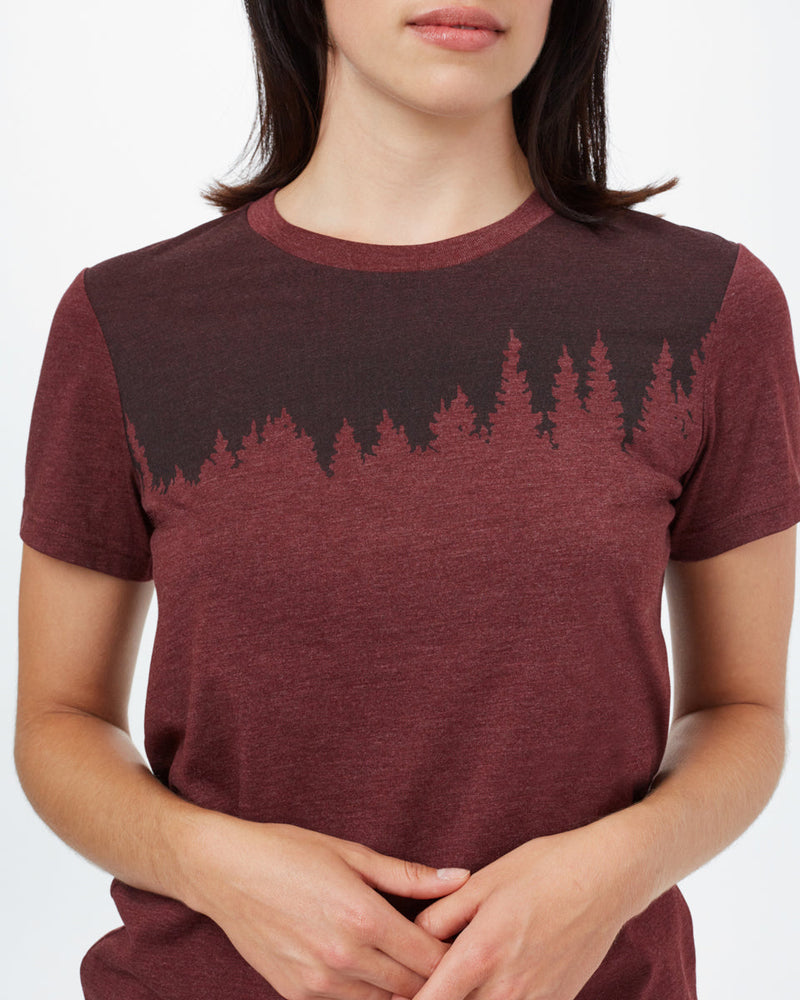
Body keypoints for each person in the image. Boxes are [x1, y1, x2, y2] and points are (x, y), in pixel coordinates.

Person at [14, 2, 800, 1000]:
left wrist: (610, 876)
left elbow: (741, 709)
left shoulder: (709, 307)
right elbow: (59, 720)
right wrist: (217, 869)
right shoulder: (126, 321)